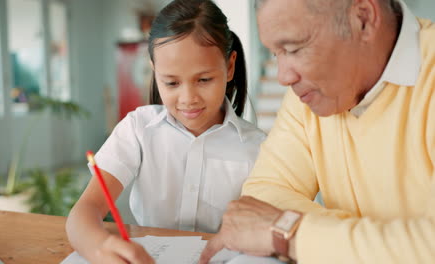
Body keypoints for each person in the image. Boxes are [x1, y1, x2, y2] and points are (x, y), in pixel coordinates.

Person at [200, 0, 435, 263]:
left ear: (363, 19)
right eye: (277, 54)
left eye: (294, 49)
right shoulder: (311, 95)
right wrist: (380, 245)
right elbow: (264, 193)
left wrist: (289, 234)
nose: (283, 77)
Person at [66, 0, 266, 263]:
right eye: (171, 82)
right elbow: (84, 213)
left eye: (204, 80)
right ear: (155, 71)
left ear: (229, 67)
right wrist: (99, 247)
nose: (188, 98)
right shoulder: (138, 129)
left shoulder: (258, 148)